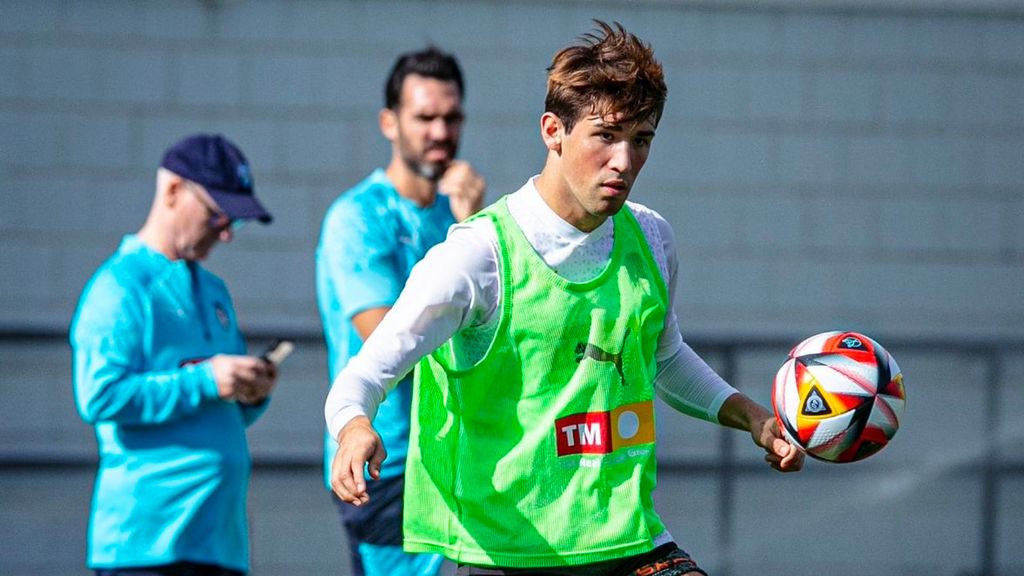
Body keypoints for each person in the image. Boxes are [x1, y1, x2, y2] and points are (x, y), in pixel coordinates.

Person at [325, 21, 804, 576]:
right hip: (509, 553)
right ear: (553, 131)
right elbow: (363, 376)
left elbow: (665, 356)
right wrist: (356, 427)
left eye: (642, 139)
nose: (625, 161)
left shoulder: (652, 237)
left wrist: (753, 418)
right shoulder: (478, 256)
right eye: (606, 135)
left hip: (629, 541)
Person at [71, 134, 278, 576]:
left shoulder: (215, 291)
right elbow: (99, 396)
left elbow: (213, 411)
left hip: (219, 546)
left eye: (234, 222)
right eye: (218, 213)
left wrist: (249, 392)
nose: (226, 232)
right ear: (171, 191)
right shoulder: (121, 286)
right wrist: (205, 380)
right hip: (147, 548)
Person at [316, 46, 485, 576]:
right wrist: (472, 236)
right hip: (385, 459)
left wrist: (478, 228)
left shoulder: (464, 217)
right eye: (425, 117)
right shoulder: (358, 218)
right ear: (390, 122)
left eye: (451, 117)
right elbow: (388, 336)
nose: (440, 131)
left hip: (464, 454)